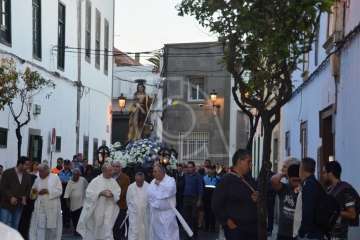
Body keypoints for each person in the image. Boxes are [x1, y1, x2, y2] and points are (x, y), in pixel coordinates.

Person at [212, 149, 258, 240]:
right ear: (239, 161)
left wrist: (256, 198)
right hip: (236, 230)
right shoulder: (226, 180)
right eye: (248, 161)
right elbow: (216, 204)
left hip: (252, 228)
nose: (251, 165)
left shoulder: (250, 180)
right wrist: (227, 221)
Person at [76, 163, 121, 240]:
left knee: (107, 228)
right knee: (96, 229)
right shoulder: (96, 181)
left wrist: (112, 194)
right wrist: (100, 193)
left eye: (111, 170)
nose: (112, 172)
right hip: (97, 209)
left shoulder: (113, 182)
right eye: (110, 171)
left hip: (109, 209)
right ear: (104, 171)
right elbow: (88, 193)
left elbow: (117, 192)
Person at [322, 161, 358, 240]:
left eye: (324, 172)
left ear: (330, 173)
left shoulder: (346, 189)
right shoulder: (329, 190)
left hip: (342, 236)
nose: (322, 175)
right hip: (330, 235)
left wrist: (334, 211)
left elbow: (352, 214)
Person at [29, 163, 63, 240]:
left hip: (52, 208)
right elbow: (33, 193)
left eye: (41, 171)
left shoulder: (55, 178)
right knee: (40, 228)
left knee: (51, 230)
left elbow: (60, 191)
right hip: (41, 208)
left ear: (47, 171)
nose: (39, 173)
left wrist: (47, 191)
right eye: (39, 171)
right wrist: (34, 192)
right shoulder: (37, 179)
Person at [147, 164, 179, 240]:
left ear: (161, 172)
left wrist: (160, 184)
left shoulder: (170, 180)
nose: (153, 174)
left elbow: (170, 190)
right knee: (157, 234)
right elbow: (150, 194)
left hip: (168, 214)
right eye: (153, 172)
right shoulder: (153, 181)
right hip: (156, 213)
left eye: (155, 172)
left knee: (169, 234)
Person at [0, 157, 32, 230]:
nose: (28, 167)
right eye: (26, 165)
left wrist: (25, 197)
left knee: (15, 226)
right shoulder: (8, 173)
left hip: (19, 206)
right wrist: (10, 197)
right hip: (6, 205)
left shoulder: (27, 175)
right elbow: (3, 188)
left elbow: (28, 189)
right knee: (5, 226)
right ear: (20, 164)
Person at [272, 163, 301, 240]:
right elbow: (274, 180)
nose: (296, 183)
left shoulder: (304, 189)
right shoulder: (284, 188)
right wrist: (285, 173)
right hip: (283, 233)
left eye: (298, 180)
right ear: (288, 178)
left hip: (297, 233)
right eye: (294, 180)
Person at [296, 157, 323, 240]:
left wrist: (301, 232)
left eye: (299, 167)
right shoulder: (315, 183)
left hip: (311, 234)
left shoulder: (309, 186)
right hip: (314, 232)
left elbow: (307, 211)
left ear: (302, 169)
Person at [64, 168, 88, 236]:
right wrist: (68, 204)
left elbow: (88, 187)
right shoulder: (70, 182)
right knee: (74, 219)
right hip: (73, 205)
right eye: (74, 175)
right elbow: (66, 195)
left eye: (77, 175)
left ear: (79, 175)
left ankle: (80, 231)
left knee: (80, 219)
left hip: (82, 203)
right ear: (72, 175)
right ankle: (76, 230)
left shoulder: (83, 180)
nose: (76, 176)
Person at [182, 161, 203, 239]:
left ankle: (195, 235)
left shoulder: (198, 176)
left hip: (194, 199)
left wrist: (199, 200)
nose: (189, 168)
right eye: (188, 167)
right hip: (186, 198)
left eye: (191, 167)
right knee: (186, 218)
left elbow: (200, 188)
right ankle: (188, 235)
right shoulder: (185, 175)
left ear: (194, 167)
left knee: (194, 217)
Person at [127, 172, 149, 240]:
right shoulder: (131, 187)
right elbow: (128, 201)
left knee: (145, 232)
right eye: (137, 181)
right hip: (134, 215)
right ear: (135, 179)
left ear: (143, 179)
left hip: (145, 215)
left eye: (141, 181)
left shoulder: (148, 186)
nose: (139, 183)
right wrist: (132, 211)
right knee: (134, 232)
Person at [112, 161, 130, 240]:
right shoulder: (110, 176)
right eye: (114, 166)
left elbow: (123, 192)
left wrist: (111, 197)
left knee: (119, 227)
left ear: (121, 168)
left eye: (117, 166)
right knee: (112, 227)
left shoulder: (125, 178)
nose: (115, 168)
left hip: (121, 206)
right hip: (110, 207)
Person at [203, 165, 220, 232]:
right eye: (209, 169)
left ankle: (212, 227)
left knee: (213, 213)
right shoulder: (204, 178)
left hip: (214, 198)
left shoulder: (218, 178)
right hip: (206, 198)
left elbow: (219, 189)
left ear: (214, 170)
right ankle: (206, 227)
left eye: (212, 169)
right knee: (206, 213)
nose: (210, 171)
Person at [58, 159, 72, 228]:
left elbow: (71, 181)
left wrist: (65, 181)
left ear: (69, 165)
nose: (66, 166)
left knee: (68, 207)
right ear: (63, 165)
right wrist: (64, 181)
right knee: (63, 207)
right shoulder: (60, 172)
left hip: (69, 191)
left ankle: (68, 222)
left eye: (67, 164)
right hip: (62, 190)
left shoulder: (72, 172)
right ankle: (63, 222)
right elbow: (59, 180)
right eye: (65, 164)